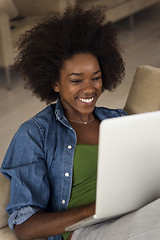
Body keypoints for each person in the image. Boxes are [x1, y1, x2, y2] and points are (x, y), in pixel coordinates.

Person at [1, 6, 160, 240]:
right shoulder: (35, 134)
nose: (89, 88)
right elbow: (25, 226)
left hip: (134, 217)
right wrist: (95, 210)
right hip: (84, 231)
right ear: (55, 83)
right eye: (76, 80)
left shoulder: (118, 120)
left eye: (96, 77)